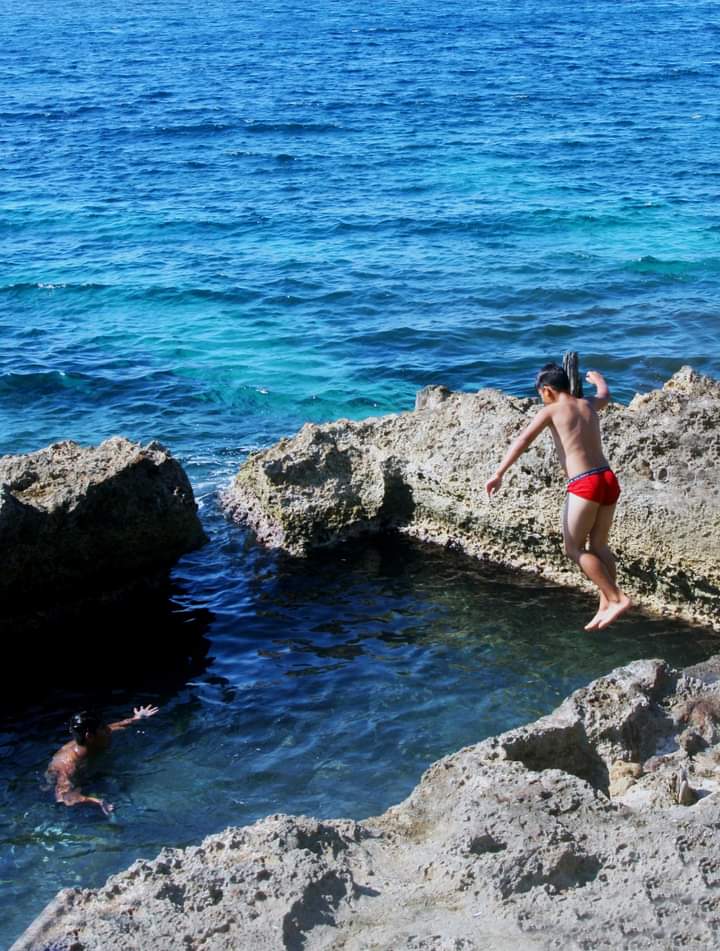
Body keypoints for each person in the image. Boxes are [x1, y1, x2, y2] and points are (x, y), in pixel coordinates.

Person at [485, 363, 631, 631]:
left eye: (540, 392)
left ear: (548, 390)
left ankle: (617, 598)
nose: (541, 397)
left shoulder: (550, 410)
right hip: (608, 478)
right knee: (599, 546)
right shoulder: (587, 404)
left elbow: (523, 441)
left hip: (584, 483)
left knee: (573, 549)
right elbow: (605, 396)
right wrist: (599, 380)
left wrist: (499, 473)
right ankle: (605, 602)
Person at [46, 705, 159, 815]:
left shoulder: (92, 738)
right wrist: (97, 801)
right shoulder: (68, 765)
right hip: (71, 783)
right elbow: (63, 797)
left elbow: (118, 725)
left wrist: (136, 718)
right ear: (89, 736)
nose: (109, 731)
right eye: (104, 729)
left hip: (88, 772)